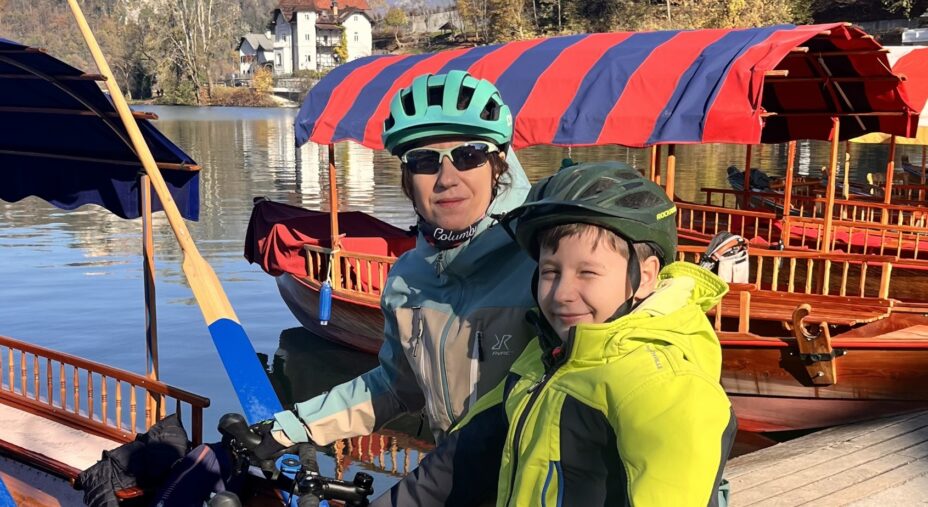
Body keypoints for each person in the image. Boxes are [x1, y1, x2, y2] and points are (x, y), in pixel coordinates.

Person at [372, 161, 737, 507]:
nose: (561, 293)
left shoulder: (665, 388)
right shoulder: (545, 357)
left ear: (644, 275)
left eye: (588, 273)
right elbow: (461, 461)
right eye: (550, 271)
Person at [254, 70, 539, 456]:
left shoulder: (546, 254)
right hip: (453, 482)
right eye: (424, 160)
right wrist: (294, 427)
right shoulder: (408, 280)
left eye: (469, 155)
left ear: (498, 162)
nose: (447, 178)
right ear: (407, 176)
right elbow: (395, 387)